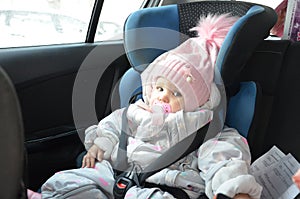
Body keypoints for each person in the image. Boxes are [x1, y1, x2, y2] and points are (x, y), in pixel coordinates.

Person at [38, 13, 262, 199]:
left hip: (163, 185)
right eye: (160, 89)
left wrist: (234, 190)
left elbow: (225, 160)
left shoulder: (206, 129)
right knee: (67, 181)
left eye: (176, 94)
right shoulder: (135, 112)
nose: (163, 98)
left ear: (196, 102)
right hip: (115, 173)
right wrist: (101, 144)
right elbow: (112, 127)